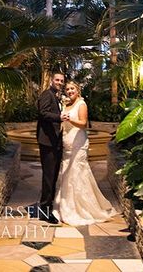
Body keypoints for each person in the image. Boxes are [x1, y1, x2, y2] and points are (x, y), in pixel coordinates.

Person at [52, 80, 117, 226]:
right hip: (66, 142)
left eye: (72, 89)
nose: (69, 91)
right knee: (66, 174)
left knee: (77, 172)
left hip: (78, 142)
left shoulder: (82, 104)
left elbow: (83, 124)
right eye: (67, 89)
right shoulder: (66, 104)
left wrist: (71, 119)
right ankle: (65, 205)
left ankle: (81, 208)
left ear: (78, 90)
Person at [30, 71, 70, 224]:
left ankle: (48, 206)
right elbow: (43, 113)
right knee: (48, 176)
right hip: (47, 142)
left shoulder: (57, 95)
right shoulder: (47, 94)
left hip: (55, 141)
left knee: (52, 176)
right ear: (51, 80)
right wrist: (59, 117)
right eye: (57, 80)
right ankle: (45, 211)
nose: (59, 82)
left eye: (61, 81)